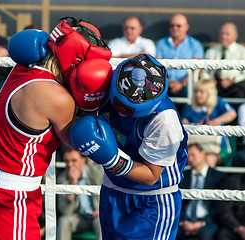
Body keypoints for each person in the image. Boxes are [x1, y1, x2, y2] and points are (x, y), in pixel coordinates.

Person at [0, 17, 113, 240]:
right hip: (10, 197)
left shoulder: (24, 66)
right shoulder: (56, 98)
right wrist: (91, 101)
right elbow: (80, 138)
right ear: (75, 60)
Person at [69, 54, 188, 239]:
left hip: (151, 202)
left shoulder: (164, 120)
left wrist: (113, 160)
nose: (119, 111)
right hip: (112, 191)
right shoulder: (108, 82)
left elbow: (151, 175)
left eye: (126, 108)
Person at [182, 79, 237, 167]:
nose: (197, 95)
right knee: (191, 158)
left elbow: (232, 113)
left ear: (210, 93)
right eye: (196, 91)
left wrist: (216, 121)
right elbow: (184, 121)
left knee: (208, 160)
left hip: (218, 148)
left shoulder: (218, 103)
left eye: (201, 92)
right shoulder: (190, 107)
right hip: (195, 148)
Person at [176, 143, 226, 240]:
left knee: (205, 234)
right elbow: (178, 202)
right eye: (188, 155)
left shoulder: (218, 176)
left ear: (203, 153)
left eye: (193, 154)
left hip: (208, 221)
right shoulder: (182, 176)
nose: (190, 159)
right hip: (186, 221)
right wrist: (185, 221)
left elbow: (219, 206)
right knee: (173, 232)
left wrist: (202, 223)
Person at [57, 147, 103, 240]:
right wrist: (72, 184)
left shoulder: (98, 172)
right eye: (67, 161)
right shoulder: (62, 179)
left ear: (83, 160)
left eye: (74, 161)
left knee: (101, 221)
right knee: (63, 221)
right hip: (79, 218)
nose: (70, 165)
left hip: (97, 215)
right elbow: (66, 212)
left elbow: (110, 197)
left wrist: (102, 210)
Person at [156, 13, 204, 96]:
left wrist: (181, 84)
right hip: (164, 84)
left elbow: (197, 70)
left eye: (179, 26)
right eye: (172, 25)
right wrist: (167, 82)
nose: (175, 28)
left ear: (186, 27)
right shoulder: (161, 43)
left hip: (187, 85)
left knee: (194, 90)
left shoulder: (195, 45)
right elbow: (156, 66)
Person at [201, 22, 245, 98]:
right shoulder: (211, 52)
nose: (223, 37)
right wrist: (210, 82)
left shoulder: (242, 52)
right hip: (213, 87)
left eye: (227, 34)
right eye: (222, 34)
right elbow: (204, 72)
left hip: (235, 88)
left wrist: (232, 81)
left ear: (235, 36)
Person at [216, 171, 245, 240]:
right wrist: (239, 228)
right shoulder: (233, 181)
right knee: (223, 235)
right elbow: (225, 211)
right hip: (235, 225)